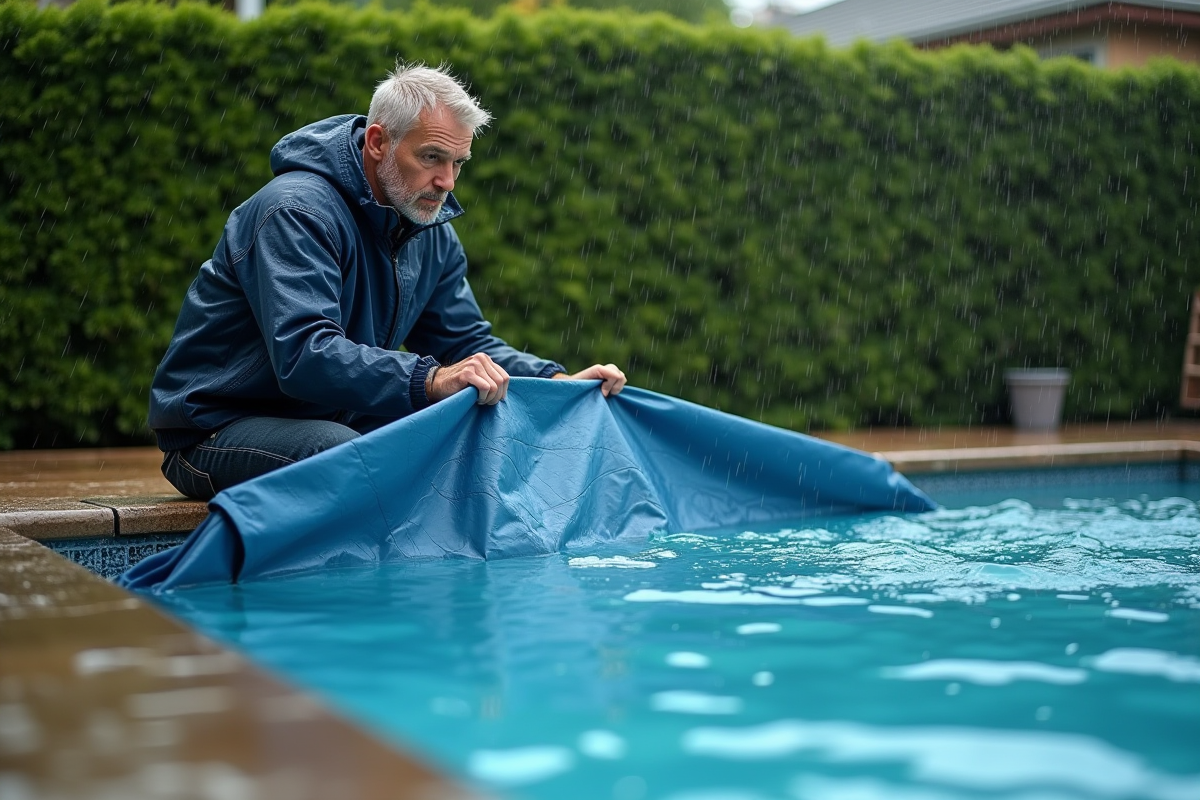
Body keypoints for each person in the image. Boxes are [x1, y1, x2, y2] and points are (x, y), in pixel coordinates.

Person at [149, 64, 625, 500]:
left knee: (478, 423)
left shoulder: (428, 230)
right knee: (344, 454)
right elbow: (304, 355)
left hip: (330, 414)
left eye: (459, 162)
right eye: (433, 157)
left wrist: (556, 383)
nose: (448, 182)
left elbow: (464, 342)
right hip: (216, 430)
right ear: (378, 142)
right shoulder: (294, 211)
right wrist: (431, 378)